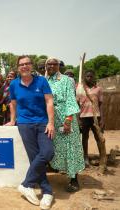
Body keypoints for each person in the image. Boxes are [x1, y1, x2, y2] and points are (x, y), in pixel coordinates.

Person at [6, 55, 55, 209]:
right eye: (21, 64)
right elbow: (13, 104)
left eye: (27, 63)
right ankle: (47, 192)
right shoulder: (14, 85)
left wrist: (51, 123)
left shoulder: (41, 81)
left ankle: (26, 184)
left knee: (48, 152)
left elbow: (49, 101)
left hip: (42, 124)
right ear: (18, 67)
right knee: (34, 158)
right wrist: (13, 121)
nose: (25, 66)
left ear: (31, 66)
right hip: (25, 125)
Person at [46, 57, 85, 192]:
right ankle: (56, 171)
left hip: (64, 117)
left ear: (59, 66)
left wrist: (68, 120)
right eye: (48, 64)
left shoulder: (66, 80)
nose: (50, 66)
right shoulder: (45, 81)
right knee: (56, 147)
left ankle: (74, 179)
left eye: (53, 64)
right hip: (51, 119)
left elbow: (70, 99)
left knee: (70, 147)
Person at [76, 70, 104, 166]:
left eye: (91, 76)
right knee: (85, 138)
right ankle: (85, 157)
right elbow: (77, 105)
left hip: (96, 117)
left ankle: (102, 157)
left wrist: (102, 119)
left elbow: (100, 105)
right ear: (84, 77)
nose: (89, 78)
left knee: (99, 138)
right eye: (87, 76)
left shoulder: (98, 89)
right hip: (84, 117)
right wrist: (78, 119)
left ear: (94, 77)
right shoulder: (80, 89)